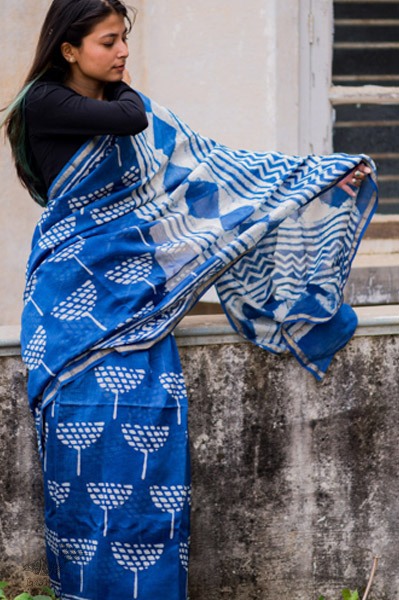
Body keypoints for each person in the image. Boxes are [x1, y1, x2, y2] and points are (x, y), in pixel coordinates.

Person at [1, 1, 377, 599]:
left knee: (154, 485)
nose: (122, 51)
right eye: (108, 41)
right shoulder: (50, 102)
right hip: (76, 315)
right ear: (67, 50)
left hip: (143, 319)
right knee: (87, 481)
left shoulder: (125, 105)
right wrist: (127, 95)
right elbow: (127, 121)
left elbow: (215, 172)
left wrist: (316, 175)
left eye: (124, 38)